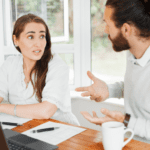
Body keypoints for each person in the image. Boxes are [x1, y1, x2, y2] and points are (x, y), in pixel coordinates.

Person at [76, 0, 150, 139]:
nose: (105, 30)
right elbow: (142, 89)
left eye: (107, 24)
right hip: (130, 141)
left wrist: (124, 121)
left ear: (126, 30)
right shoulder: (133, 52)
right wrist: (109, 90)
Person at [0, 14, 79, 126]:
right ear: (15, 40)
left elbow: (45, 111)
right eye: (31, 37)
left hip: (63, 131)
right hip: (27, 130)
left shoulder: (58, 67)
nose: (38, 44)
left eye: (42, 36)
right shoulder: (10, 64)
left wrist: (2, 107)